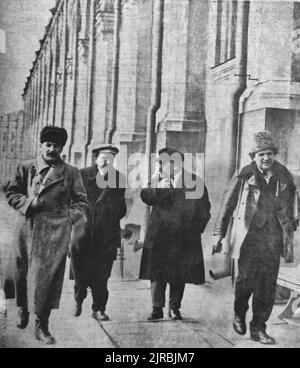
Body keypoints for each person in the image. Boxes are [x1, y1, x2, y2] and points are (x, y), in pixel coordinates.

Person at [4, 126, 88, 345]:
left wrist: (67, 218)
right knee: (21, 272)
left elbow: (81, 202)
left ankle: (42, 324)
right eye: (48, 144)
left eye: (56, 145)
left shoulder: (70, 171)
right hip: (27, 227)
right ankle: (23, 307)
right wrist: (29, 203)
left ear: (62, 147)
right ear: (41, 145)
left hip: (54, 232)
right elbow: (11, 193)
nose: (52, 149)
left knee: (47, 279)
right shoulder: (26, 167)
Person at [213, 131, 297, 345]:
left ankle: (259, 328)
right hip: (248, 238)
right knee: (245, 281)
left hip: (273, 239)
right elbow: (227, 205)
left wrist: (292, 225)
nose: (266, 158)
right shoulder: (244, 175)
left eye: (269, 153)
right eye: (261, 154)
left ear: (274, 154)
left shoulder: (284, 176)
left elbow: (295, 204)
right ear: (254, 157)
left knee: (267, 287)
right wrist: (218, 234)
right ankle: (239, 313)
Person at [139, 147, 211, 321]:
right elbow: (145, 196)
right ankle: (157, 308)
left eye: (162, 163)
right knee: (156, 273)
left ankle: (174, 308)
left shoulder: (194, 182)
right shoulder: (158, 180)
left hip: (184, 237)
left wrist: (194, 230)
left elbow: (204, 210)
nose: (160, 166)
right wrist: (159, 186)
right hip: (159, 236)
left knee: (179, 274)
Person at [71, 144, 127, 322]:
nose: (106, 161)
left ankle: (99, 309)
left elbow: (121, 208)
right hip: (83, 233)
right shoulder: (82, 175)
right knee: (81, 273)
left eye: (110, 159)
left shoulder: (118, 178)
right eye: (103, 158)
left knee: (102, 275)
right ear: (96, 158)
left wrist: (109, 211)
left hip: (106, 234)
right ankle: (78, 300)